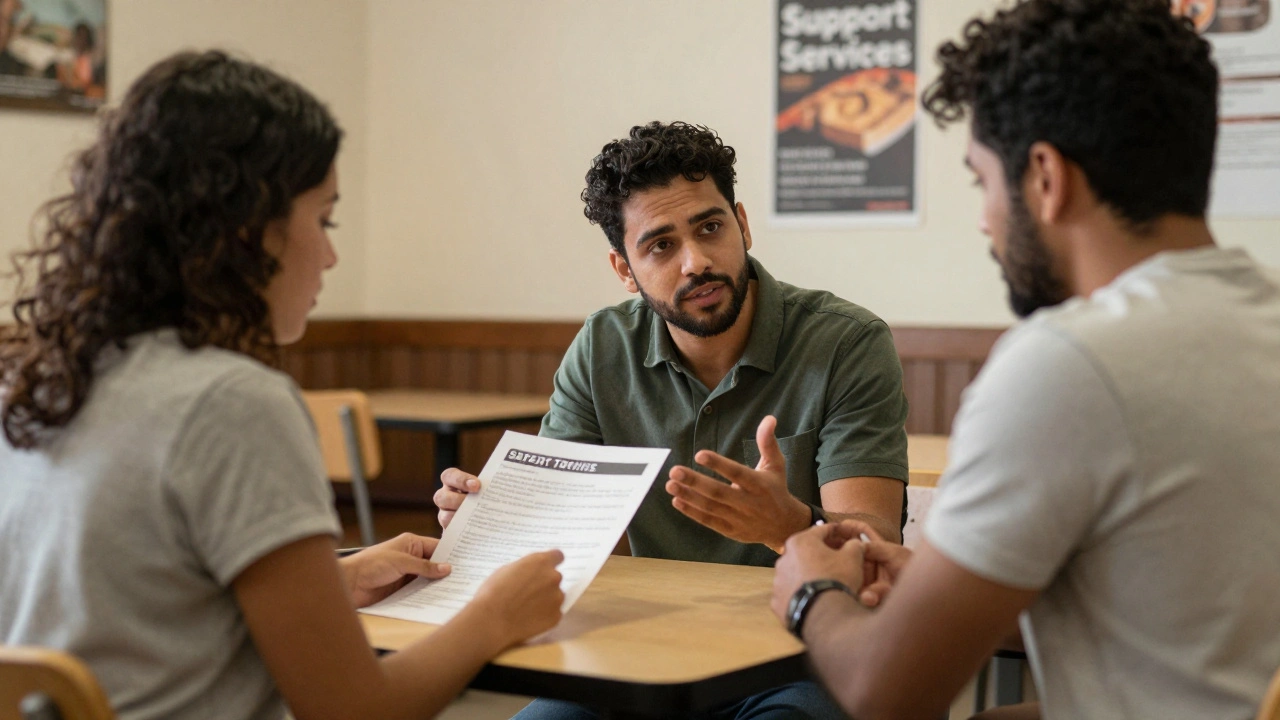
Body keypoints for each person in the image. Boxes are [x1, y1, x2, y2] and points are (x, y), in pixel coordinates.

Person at [0, 50, 565, 720]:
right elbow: (355, 712)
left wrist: (335, 580)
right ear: (247, 230)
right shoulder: (232, 403)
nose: (329, 255)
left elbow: (132, 601)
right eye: (322, 219)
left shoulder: (41, 378)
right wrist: (492, 617)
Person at [770, 2, 1280, 719]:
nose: (984, 217)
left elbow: (886, 694)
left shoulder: (1067, 364)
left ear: (1045, 176)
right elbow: (1192, 634)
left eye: (983, 181)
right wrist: (950, 585)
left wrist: (809, 591)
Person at [436, 121, 910, 719]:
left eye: (711, 228)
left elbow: (877, 540)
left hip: (800, 652)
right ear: (624, 269)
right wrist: (487, 518)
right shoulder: (602, 346)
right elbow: (555, 526)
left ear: (742, 224)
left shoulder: (847, 341)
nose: (697, 262)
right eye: (660, 245)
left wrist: (792, 523)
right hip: (639, 653)